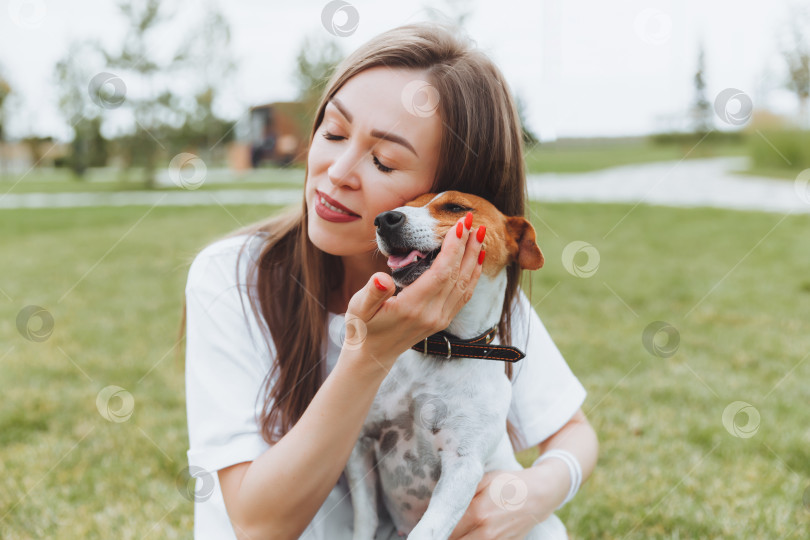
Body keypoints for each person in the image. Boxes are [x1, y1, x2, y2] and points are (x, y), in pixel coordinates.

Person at [183, 22, 598, 540]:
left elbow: (574, 433)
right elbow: (259, 525)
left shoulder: (471, 298)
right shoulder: (233, 278)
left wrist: (530, 496)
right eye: (333, 133)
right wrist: (372, 352)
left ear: (447, 196)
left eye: (384, 161)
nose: (337, 172)